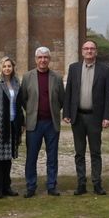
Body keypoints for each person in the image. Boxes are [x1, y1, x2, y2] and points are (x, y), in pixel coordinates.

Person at [63, 40, 109, 196]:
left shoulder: (104, 70)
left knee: (95, 152)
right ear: (82, 51)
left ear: (96, 51)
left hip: (95, 117)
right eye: (86, 48)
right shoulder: (74, 68)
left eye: (92, 48)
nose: (89, 51)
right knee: (79, 152)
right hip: (78, 116)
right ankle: (81, 184)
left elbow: (107, 96)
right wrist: (66, 113)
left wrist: (106, 116)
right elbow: (69, 92)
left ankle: (97, 184)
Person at [20, 46, 65, 198]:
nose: (43, 60)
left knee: (52, 157)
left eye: (45, 57)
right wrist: (32, 111)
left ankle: (52, 185)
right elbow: (23, 99)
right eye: (40, 57)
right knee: (31, 157)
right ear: (35, 59)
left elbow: (61, 100)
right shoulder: (27, 77)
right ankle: (31, 186)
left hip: (51, 123)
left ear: (49, 60)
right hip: (34, 124)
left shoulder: (57, 78)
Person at [0, 56, 24, 198]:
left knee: (8, 158)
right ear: (1, 68)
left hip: (12, 124)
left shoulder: (16, 82)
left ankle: (7, 186)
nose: (7, 68)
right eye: (4, 66)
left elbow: (18, 104)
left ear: (13, 67)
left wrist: (21, 123)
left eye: (9, 66)